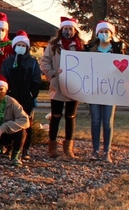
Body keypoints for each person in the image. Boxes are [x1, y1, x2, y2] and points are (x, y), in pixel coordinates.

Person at [40, 17, 84, 159]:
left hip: (74, 86)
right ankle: (52, 146)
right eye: (66, 29)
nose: (68, 31)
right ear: (61, 30)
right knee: (56, 116)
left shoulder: (80, 45)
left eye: (71, 29)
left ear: (75, 30)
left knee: (70, 117)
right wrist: (52, 75)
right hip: (58, 85)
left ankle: (68, 148)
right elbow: (44, 61)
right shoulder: (53, 45)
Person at [84, 21, 126, 163]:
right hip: (95, 90)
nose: (104, 34)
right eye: (101, 32)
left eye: (107, 32)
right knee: (95, 121)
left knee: (107, 122)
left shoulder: (117, 49)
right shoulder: (90, 49)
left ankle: (107, 151)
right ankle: (95, 151)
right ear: (97, 33)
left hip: (111, 90)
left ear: (112, 34)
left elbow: (125, 67)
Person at [0, 30, 40, 160]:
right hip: (12, 97)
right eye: (19, 45)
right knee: (10, 122)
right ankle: (10, 147)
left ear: (27, 47)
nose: (21, 47)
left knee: (27, 123)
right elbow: (3, 78)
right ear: (14, 46)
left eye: (24, 45)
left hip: (26, 98)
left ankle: (25, 148)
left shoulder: (33, 62)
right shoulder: (8, 62)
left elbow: (36, 78)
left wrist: (33, 93)